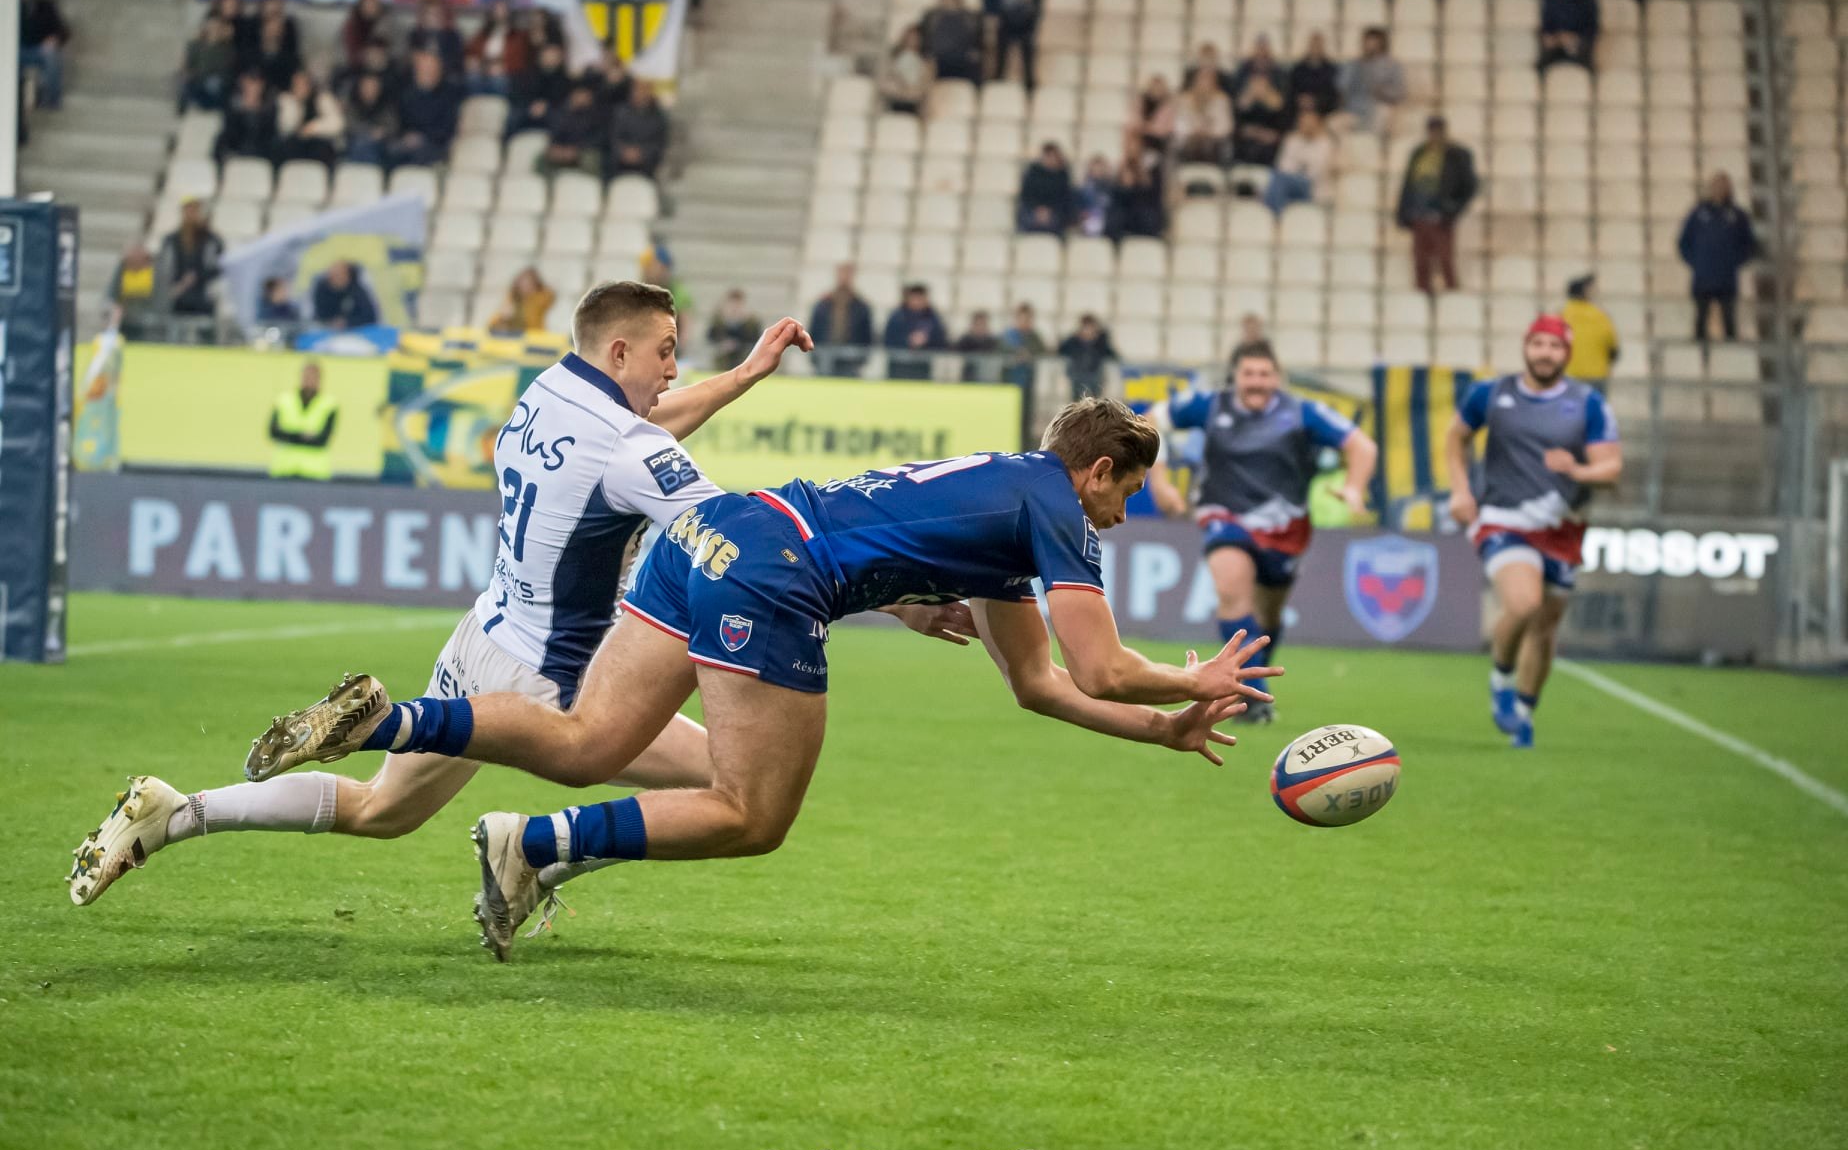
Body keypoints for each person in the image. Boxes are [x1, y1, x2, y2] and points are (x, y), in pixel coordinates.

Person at [232, 397, 1277, 959]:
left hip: (717, 531)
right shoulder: (1057, 511)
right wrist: (1192, 684)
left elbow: (1041, 684)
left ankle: (389, 722)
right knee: (752, 812)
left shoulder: (1005, 498)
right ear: (1097, 469)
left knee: (593, 743)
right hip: (774, 578)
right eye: (1126, 494)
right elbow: (1101, 665)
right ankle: (536, 845)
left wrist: (1160, 731)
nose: (1123, 515)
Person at [67, 285, 827, 910]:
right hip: (556, 681)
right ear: (620, 352)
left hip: (483, 636)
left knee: (382, 809)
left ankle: (178, 813)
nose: (673, 368)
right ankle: (531, 856)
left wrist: (742, 376)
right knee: (729, 786)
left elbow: (645, 430)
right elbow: (736, 535)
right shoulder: (632, 447)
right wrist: (862, 582)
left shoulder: (550, 392)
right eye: (665, 351)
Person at [1156, 340, 1378, 724]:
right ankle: (1252, 700)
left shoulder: (1302, 412)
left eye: (1264, 374)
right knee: (1231, 590)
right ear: (1235, 376)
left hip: (1285, 526)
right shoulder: (1209, 406)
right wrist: (1160, 482)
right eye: (1249, 374)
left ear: (1278, 378)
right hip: (1225, 514)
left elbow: (1362, 446)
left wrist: (1355, 487)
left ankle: (1255, 675)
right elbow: (1150, 422)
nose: (1256, 381)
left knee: (1268, 614)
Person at [1445, 316, 1622, 749]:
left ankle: (1524, 711)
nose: (1545, 353)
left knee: (1545, 627)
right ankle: (1501, 679)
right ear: (1526, 346)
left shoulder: (1588, 403)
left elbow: (1611, 468)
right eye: (1538, 343)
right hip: (1504, 519)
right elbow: (1455, 438)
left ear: (1567, 353)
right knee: (1524, 604)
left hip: (1563, 526)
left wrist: (1577, 470)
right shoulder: (1490, 393)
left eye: (1555, 346)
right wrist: (1460, 489)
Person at [1395, 115, 1479, 295]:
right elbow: (1408, 184)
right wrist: (1403, 213)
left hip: (1440, 216)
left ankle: (1451, 297)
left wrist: (1453, 207)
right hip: (1419, 214)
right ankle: (1422, 295)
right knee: (1421, 261)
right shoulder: (1419, 153)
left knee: (1445, 258)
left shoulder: (1456, 155)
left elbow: (1470, 186)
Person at [1677, 172, 1756, 343]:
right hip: (1703, 278)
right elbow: (1684, 242)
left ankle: (1731, 355)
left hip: (1726, 278)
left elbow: (1749, 245)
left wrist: (1734, 261)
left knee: (1729, 320)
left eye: (1723, 186)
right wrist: (1696, 262)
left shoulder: (1737, 215)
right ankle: (1700, 354)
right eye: (1716, 185)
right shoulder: (1698, 214)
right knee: (1701, 320)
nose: (1719, 189)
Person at [388, 49, 461, 169]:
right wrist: (406, 136)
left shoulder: (448, 96)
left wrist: (422, 137)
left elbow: (447, 129)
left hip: (435, 144)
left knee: (419, 156)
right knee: (389, 152)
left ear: (439, 71)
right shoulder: (407, 95)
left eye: (431, 69)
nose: (427, 73)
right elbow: (399, 123)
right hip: (407, 142)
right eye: (423, 69)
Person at [268, 360, 338, 481]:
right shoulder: (284, 401)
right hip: (284, 469)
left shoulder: (329, 404)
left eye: (313, 377)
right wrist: (304, 435)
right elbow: (273, 432)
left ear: (319, 379)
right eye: (306, 376)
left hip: (314, 472)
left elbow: (323, 439)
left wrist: (289, 435)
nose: (309, 380)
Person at [157, 198, 224, 320]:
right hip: (177, 296)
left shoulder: (211, 240)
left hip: (203, 296)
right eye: (188, 210)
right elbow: (164, 266)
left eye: (194, 210)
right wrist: (175, 286)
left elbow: (218, 267)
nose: (191, 215)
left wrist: (196, 277)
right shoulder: (171, 240)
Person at [1263, 108, 1335, 216]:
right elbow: (1283, 165)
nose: (1306, 126)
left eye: (1310, 124)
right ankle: (1276, 215)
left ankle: (1275, 217)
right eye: (1303, 123)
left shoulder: (1326, 143)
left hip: (1312, 186)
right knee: (1276, 177)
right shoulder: (1292, 139)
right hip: (1290, 182)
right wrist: (1298, 169)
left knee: (1278, 180)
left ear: (1318, 124)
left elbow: (1316, 172)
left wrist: (1298, 166)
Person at [808, 263, 875, 377]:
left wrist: (861, 359)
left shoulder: (861, 306)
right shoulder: (824, 304)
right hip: (825, 355)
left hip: (851, 358)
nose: (844, 278)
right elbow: (814, 329)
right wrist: (813, 354)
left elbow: (866, 334)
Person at [274, 70, 346, 171]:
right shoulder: (287, 100)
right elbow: (285, 128)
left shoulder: (322, 98)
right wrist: (297, 104)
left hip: (320, 144)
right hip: (296, 145)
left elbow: (338, 124)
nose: (300, 87)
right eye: (296, 85)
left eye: (303, 84)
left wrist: (312, 128)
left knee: (322, 149)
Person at [1340, 28, 1405, 136]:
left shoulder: (1392, 66)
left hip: (1379, 108)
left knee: (1383, 113)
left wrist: (1382, 91)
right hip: (1354, 110)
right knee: (1334, 123)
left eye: (1373, 41)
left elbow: (1399, 93)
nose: (1369, 45)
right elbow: (1342, 87)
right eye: (1367, 41)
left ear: (1381, 43)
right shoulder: (1353, 64)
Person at [882, 283, 949, 380]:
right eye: (914, 298)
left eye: (920, 298)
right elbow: (888, 341)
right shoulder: (897, 317)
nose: (917, 302)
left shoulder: (932, 318)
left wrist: (926, 341)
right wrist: (908, 341)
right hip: (898, 366)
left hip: (922, 367)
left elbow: (941, 341)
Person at [1560, 275, 1619, 386]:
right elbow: (1613, 350)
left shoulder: (1561, 316)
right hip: (1597, 375)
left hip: (1568, 375)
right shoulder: (1600, 316)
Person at [538, 81, 604, 177]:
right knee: (541, 159)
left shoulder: (596, 115)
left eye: (586, 95)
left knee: (590, 158)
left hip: (583, 150)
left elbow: (598, 138)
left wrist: (577, 149)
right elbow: (555, 134)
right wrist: (556, 148)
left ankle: (587, 184)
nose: (583, 98)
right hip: (563, 149)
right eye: (580, 94)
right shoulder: (560, 113)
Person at [919, 0, 985, 85]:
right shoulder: (931, 16)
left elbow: (978, 44)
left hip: (964, 62)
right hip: (938, 62)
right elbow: (924, 44)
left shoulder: (972, 17)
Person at [20, 0, 72, 109]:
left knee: (51, 55)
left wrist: (54, 39)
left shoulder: (46, 5)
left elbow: (63, 31)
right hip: (17, 49)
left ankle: (52, 101)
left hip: (39, 49)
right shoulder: (11, 5)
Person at [464, 0, 528, 97]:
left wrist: (503, 67)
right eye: (496, 10)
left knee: (498, 80)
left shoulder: (517, 35)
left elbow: (520, 60)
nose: (499, 14)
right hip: (483, 67)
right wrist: (472, 61)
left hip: (505, 71)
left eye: (502, 10)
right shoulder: (483, 34)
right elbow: (471, 51)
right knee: (472, 78)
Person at [214, 69, 278, 163]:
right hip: (236, 155)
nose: (252, 87)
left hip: (261, 156)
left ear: (262, 85)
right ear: (242, 83)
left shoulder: (270, 111)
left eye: (256, 83)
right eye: (249, 82)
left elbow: (270, 137)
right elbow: (228, 136)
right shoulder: (232, 109)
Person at [609, 80, 669, 179]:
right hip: (620, 167)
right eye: (637, 90)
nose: (640, 94)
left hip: (646, 168)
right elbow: (614, 138)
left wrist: (642, 153)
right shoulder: (620, 113)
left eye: (644, 90)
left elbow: (659, 144)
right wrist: (624, 152)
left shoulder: (659, 118)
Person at [1173, 66, 1233, 165]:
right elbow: (1179, 122)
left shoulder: (1221, 100)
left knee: (1209, 145)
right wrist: (1194, 130)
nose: (1205, 83)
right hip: (1189, 138)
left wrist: (1208, 131)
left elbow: (1226, 126)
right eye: (1202, 79)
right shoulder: (1185, 99)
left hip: (1214, 140)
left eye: (1209, 80)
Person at [989, 0, 1044, 90]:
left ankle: (1030, 84)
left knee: (1027, 49)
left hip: (1028, 14)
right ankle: (998, 80)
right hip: (1004, 14)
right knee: (1001, 53)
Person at [509, 43, 569, 136]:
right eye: (547, 56)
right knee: (514, 113)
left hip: (550, 110)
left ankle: (556, 142)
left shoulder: (564, 79)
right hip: (527, 108)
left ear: (560, 59)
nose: (550, 59)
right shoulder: (527, 74)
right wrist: (531, 105)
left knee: (560, 116)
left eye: (553, 56)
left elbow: (562, 98)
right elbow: (517, 94)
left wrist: (546, 106)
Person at [1230, 72, 1288, 168]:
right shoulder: (1243, 106)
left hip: (1269, 144)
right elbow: (1239, 126)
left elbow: (1279, 130)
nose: (1258, 88)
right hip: (1246, 141)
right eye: (1255, 85)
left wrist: (1267, 135)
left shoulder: (1278, 107)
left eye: (1261, 85)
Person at [182, 16, 238, 111]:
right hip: (198, 79)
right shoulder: (195, 45)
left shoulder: (228, 49)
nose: (214, 30)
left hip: (216, 82)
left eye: (218, 27)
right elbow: (188, 65)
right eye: (212, 27)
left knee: (215, 84)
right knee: (185, 82)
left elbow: (226, 69)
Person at [1017, 142, 1074, 234]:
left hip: (1054, 212)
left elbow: (1064, 199)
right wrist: (1038, 209)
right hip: (1033, 210)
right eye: (1048, 156)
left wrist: (1049, 211)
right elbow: (1026, 195)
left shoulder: (1062, 175)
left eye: (1053, 157)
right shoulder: (1033, 172)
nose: (1050, 159)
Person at [1538, 0, 1600, 73]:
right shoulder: (1553, 0)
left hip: (1579, 49)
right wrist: (1558, 38)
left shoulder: (1589, 2)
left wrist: (1575, 39)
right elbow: (1546, 28)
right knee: (1542, 64)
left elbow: (1591, 31)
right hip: (1555, 48)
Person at [1058, 313, 1117, 400]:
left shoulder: (1100, 342)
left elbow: (1112, 354)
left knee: (1095, 399)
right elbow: (1061, 350)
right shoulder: (1073, 341)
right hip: (1077, 376)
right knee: (1077, 399)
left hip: (1095, 376)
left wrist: (1103, 337)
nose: (1088, 330)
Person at [343, 72, 397, 166]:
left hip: (381, 144)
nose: (369, 90)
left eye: (372, 87)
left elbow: (393, 126)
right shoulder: (352, 104)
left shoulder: (385, 105)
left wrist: (382, 132)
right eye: (366, 86)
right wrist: (370, 132)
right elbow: (350, 125)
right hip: (357, 140)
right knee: (360, 144)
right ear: (360, 87)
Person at [109, 243, 160, 341]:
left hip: (148, 319)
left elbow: (160, 298)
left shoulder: (155, 270)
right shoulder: (122, 269)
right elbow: (112, 295)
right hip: (125, 319)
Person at [878, 25, 933, 114]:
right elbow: (884, 82)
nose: (912, 41)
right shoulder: (893, 58)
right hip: (893, 99)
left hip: (915, 102)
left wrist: (911, 91)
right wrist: (900, 86)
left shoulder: (926, 62)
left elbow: (926, 84)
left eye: (915, 38)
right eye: (910, 38)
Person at [311, 260, 379, 330]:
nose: (337, 278)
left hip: (354, 330)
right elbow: (319, 315)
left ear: (348, 275)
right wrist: (331, 322)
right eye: (334, 275)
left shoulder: (357, 290)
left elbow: (370, 316)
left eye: (340, 274)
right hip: (327, 330)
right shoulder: (321, 289)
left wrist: (348, 322)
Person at [705, 289, 762, 371]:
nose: (734, 309)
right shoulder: (718, 321)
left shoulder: (751, 322)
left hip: (744, 358)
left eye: (737, 305)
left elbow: (756, 341)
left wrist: (739, 345)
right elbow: (710, 338)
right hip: (722, 359)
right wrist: (722, 345)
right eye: (732, 305)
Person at [408, 1, 465, 79]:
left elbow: (456, 60)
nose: (434, 17)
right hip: (420, 74)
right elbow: (410, 57)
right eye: (430, 14)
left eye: (438, 13)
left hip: (445, 74)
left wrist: (437, 66)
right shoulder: (415, 35)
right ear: (423, 16)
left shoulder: (452, 36)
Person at [489, 267, 555, 335]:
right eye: (523, 283)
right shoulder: (512, 299)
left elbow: (550, 295)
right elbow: (492, 323)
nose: (525, 286)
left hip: (534, 336)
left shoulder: (539, 299)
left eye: (529, 283)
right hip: (514, 336)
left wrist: (535, 294)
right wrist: (503, 317)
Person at [1289, 32, 1341, 118]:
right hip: (1301, 111)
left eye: (1318, 45)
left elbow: (1333, 96)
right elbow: (1291, 92)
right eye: (1313, 45)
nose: (1316, 48)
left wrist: (1315, 101)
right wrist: (1301, 100)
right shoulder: (1298, 70)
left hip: (1324, 111)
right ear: (1309, 46)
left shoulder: (1331, 70)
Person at [1131, 74, 1177, 156]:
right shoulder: (1141, 103)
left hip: (1159, 142)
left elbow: (1166, 129)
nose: (1156, 90)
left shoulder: (1168, 106)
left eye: (1159, 88)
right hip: (1141, 139)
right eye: (1154, 87)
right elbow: (1135, 124)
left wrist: (1147, 128)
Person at [1074, 155, 1114, 237]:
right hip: (1087, 219)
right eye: (1095, 169)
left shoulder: (1110, 187)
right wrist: (1083, 214)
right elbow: (1079, 205)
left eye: (1100, 169)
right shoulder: (1084, 188)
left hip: (1105, 220)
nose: (1097, 171)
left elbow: (1111, 205)